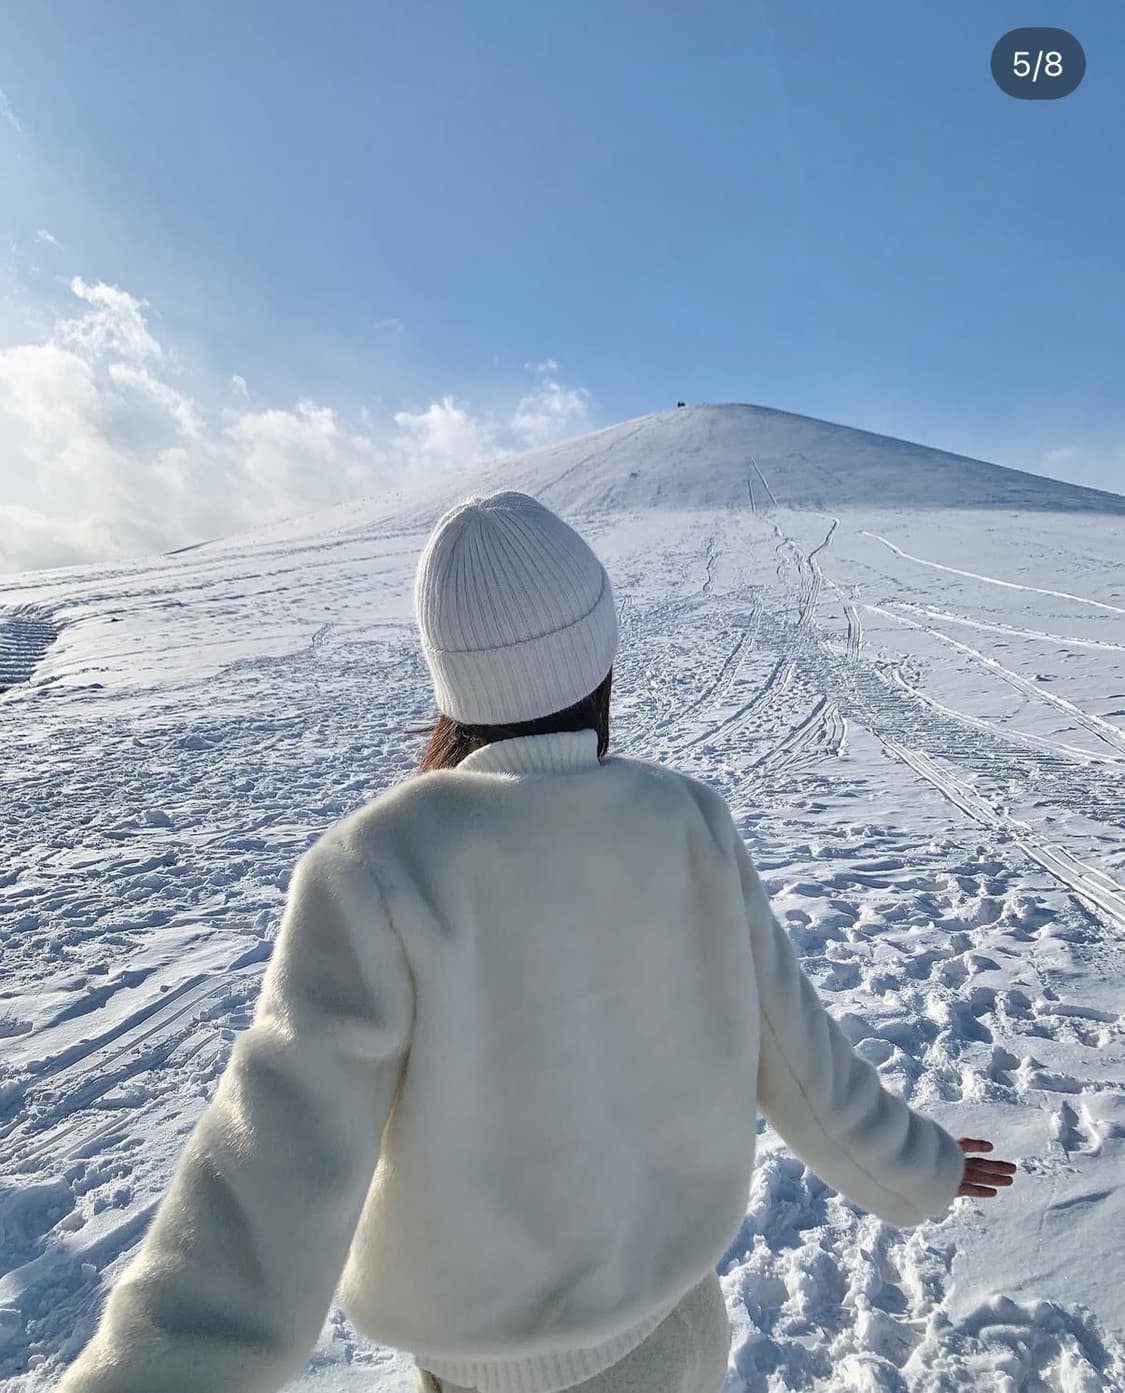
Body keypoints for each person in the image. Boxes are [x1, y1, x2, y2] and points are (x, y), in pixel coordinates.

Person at [56, 491, 1016, 1393]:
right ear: (598, 652)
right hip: (681, 1333)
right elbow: (799, 1056)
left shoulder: (380, 865)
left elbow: (273, 1165)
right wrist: (916, 1166)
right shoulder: (686, 819)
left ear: (450, 673)